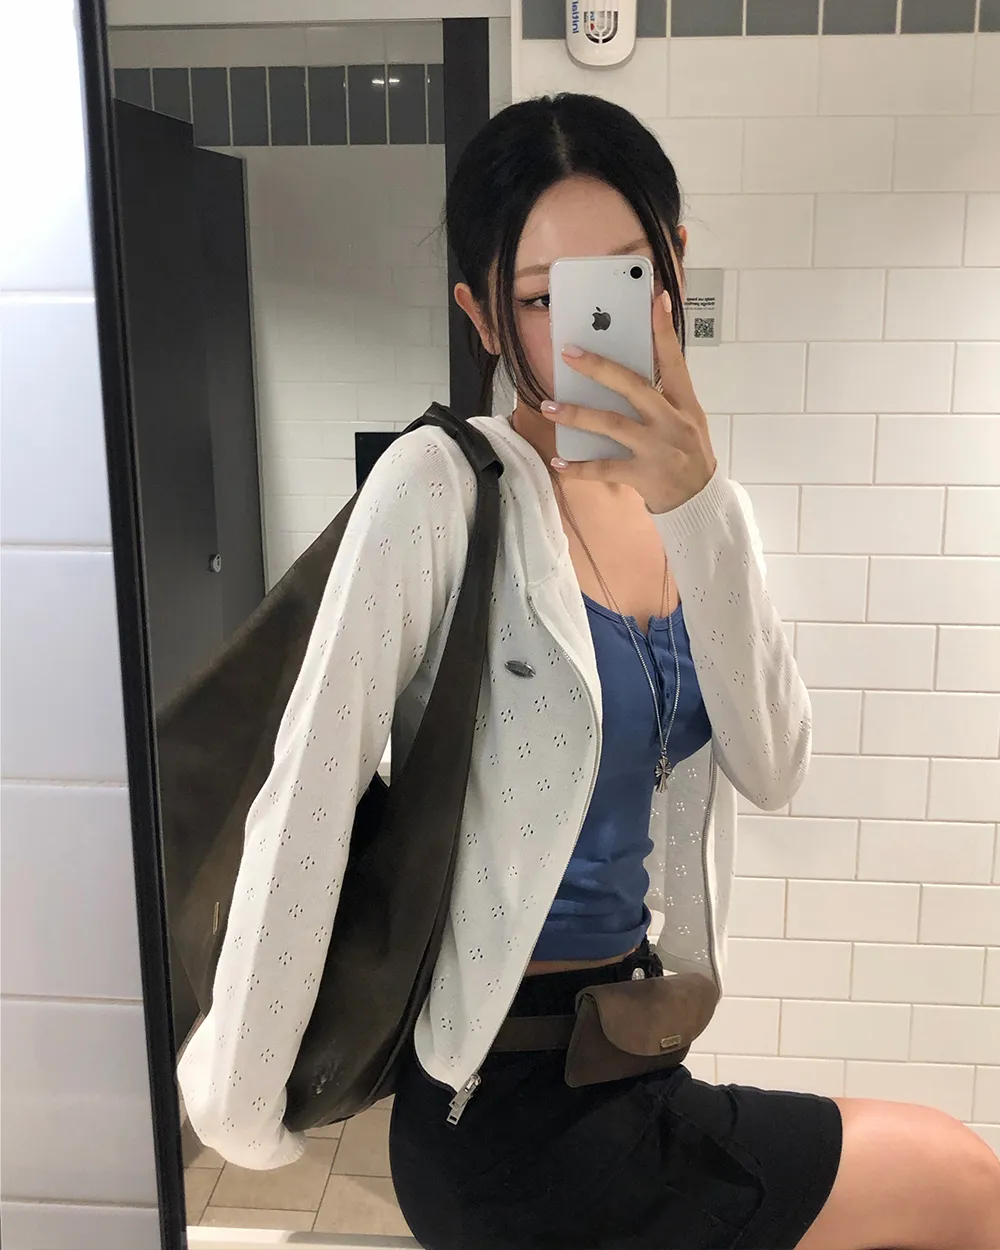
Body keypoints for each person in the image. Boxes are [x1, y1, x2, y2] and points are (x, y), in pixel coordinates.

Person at [178, 94, 1000, 1249]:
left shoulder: (706, 514)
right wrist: (239, 1095)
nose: (584, 328)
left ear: (672, 273)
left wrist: (699, 502)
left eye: (622, 276)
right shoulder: (440, 486)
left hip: (631, 1055)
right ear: (480, 314)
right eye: (538, 296)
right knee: (960, 1178)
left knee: (956, 1181)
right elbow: (310, 784)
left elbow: (774, 764)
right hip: (500, 1109)